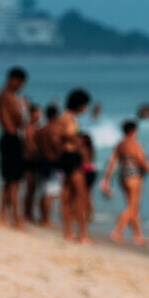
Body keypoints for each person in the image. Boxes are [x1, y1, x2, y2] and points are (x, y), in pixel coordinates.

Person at [101, 120, 149, 245]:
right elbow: (141, 160)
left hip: (123, 175)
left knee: (133, 206)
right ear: (133, 130)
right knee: (133, 207)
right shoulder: (134, 143)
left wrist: (106, 179)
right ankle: (117, 231)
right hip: (134, 174)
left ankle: (138, 236)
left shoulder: (120, 144)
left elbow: (112, 162)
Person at [57, 89, 92, 243]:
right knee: (80, 195)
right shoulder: (68, 117)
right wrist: (78, 141)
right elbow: (66, 135)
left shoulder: (66, 117)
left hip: (67, 157)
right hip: (71, 157)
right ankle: (82, 234)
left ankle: (68, 232)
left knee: (67, 195)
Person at [0, 66, 27, 228]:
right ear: (14, 80)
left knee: (7, 180)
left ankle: (2, 215)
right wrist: (23, 107)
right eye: (21, 83)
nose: (21, 87)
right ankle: (15, 218)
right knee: (14, 182)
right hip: (12, 137)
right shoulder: (9, 96)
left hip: (5, 137)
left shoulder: (0, 95)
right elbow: (20, 119)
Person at [35, 104, 62, 226]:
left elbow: (36, 146)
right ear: (55, 116)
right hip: (52, 162)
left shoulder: (40, 130)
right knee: (49, 194)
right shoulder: (54, 130)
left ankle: (43, 217)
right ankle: (46, 219)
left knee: (44, 191)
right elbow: (56, 146)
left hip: (41, 161)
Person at [22, 103, 43, 221]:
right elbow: (29, 144)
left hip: (32, 160)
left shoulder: (35, 127)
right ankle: (27, 213)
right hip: (30, 160)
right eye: (37, 113)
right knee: (30, 188)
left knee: (32, 189)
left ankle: (28, 213)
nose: (39, 115)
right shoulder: (30, 127)